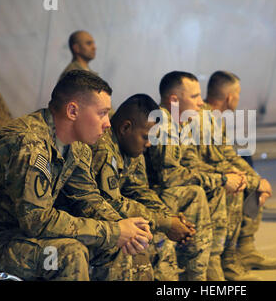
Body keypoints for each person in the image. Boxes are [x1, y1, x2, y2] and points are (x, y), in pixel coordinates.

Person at [0, 70, 153, 280]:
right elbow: (38, 221)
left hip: (17, 236)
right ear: (72, 111)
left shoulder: (77, 147)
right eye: (102, 113)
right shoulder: (30, 145)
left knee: (114, 247)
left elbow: (88, 199)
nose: (107, 123)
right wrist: (113, 231)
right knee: (69, 253)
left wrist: (128, 230)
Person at [91, 93, 212, 281]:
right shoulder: (103, 149)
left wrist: (169, 218)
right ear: (125, 128)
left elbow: (139, 190)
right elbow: (112, 204)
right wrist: (166, 223)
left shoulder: (133, 149)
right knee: (153, 236)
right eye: (146, 137)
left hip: (118, 216)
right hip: (97, 222)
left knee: (164, 228)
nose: (149, 143)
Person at [145, 71, 245, 280]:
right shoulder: (162, 124)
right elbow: (169, 177)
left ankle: (213, 262)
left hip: (169, 191)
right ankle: (196, 272)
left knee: (219, 187)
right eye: (194, 97)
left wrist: (224, 175)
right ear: (174, 100)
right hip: (154, 195)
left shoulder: (181, 124)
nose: (201, 103)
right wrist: (222, 179)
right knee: (196, 192)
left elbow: (191, 164)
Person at [205, 70, 276, 271]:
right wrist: (255, 181)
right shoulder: (206, 119)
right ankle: (228, 259)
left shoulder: (214, 118)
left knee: (251, 178)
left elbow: (227, 156)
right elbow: (217, 163)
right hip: (206, 180)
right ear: (230, 97)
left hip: (214, 175)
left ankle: (246, 250)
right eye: (238, 93)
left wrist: (256, 179)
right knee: (243, 185)